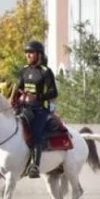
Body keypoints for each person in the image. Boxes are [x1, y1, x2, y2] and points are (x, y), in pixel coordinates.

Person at [16, 40, 58, 179]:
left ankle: (35, 165)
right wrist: (15, 99)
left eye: (31, 53)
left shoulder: (46, 72)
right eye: (26, 53)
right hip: (25, 108)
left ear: (39, 55)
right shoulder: (24, 70)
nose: (28, 55)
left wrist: (37, 97)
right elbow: (19, 88)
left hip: (41, 109)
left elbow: (54, 93)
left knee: (36, 133)